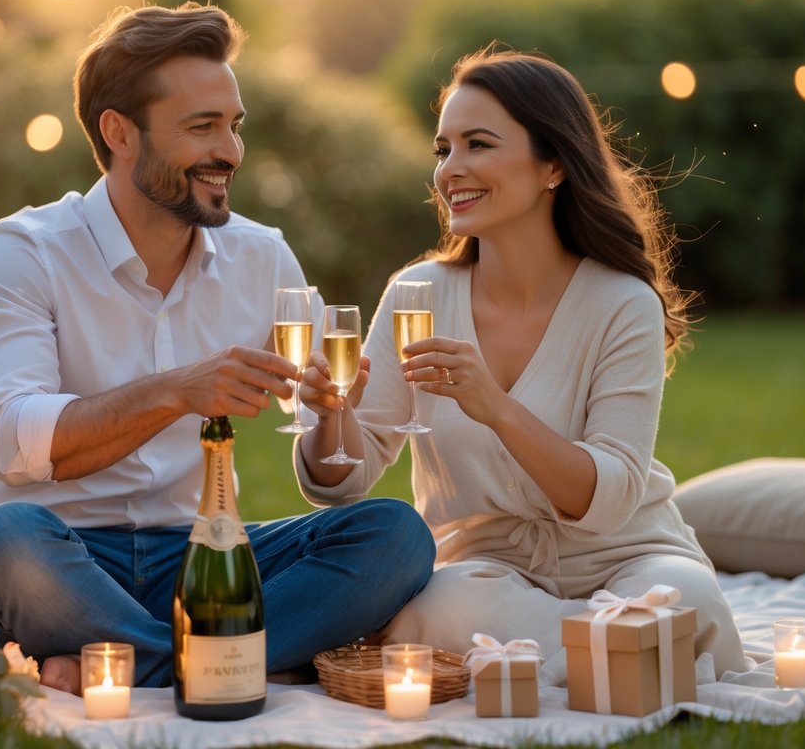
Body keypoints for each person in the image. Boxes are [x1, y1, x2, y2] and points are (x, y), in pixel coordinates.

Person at [0, 2, 435, 692]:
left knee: (394, 536)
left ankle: (135, 664)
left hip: (208, 559)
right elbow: (16, 442)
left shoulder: (261, 257)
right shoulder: (24, 252)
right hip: (64, 556)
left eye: (233, 126)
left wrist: (331, 415)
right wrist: (177, 390)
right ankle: (243, 660)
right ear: (119, 132)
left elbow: (330, 476)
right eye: (201, 127)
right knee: (1, 542)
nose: (230, 152)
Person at [295, 47, 747, 679]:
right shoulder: (416, 294)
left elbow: (613, 497)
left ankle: (542, 661)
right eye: (443, 149)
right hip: (486, 572)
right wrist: (330, 416)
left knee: (683, 598)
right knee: (443, 605)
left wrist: (498, 408)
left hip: (629, 556)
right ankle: (626, 660)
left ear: (554, 164)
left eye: (478, 144)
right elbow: (343, 478)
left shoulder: (622, 303)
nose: (451, 169)